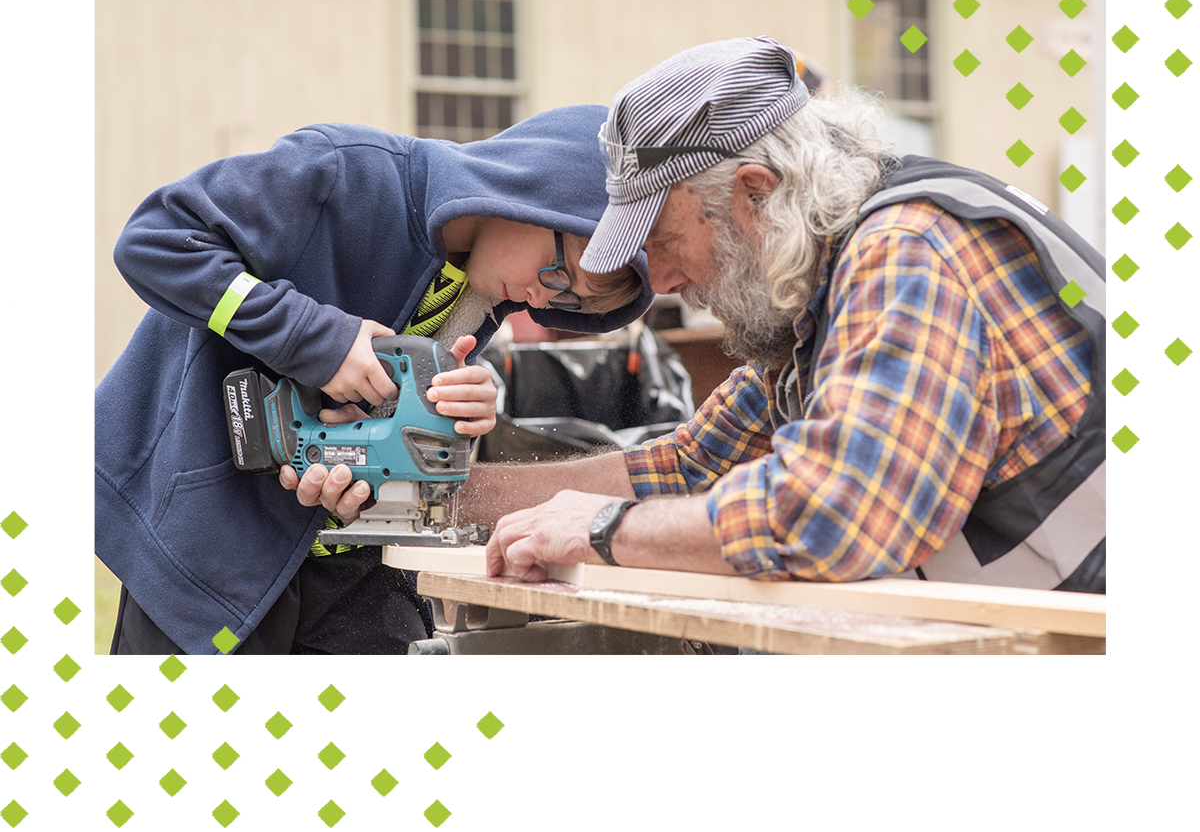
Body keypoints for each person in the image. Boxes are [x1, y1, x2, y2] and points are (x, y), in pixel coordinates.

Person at [302, 37, 1107, 597]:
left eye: (662, 239)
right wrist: (427, 493)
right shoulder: (812, 302)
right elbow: (687, 467)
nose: (658, 278)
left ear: (755, 194)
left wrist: (603, 530)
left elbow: (837, 514)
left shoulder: (908, 251)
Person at [95, 104, 655, 655]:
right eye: (560, 273)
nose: (544, 299)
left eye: (569, 301)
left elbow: (367, 405)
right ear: (534, 191)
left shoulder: (484, 290)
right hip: (209, 551)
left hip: (349, 557)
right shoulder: (345, 172)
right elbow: (155, 240)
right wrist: (317, 339)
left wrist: (448, 415)